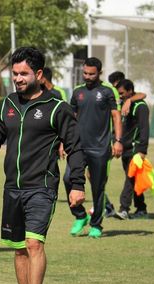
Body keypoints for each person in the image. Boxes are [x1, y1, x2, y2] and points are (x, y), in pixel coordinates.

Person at [0, 47, 86, 284]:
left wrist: (77, 184)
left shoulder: (58, 108)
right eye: (15, 73)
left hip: (41, 187)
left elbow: (75, 148)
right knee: (19, 247)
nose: (18, 79)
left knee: (34, 243)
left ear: (39, 74)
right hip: (12, 188)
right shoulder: (8, 103)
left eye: (24, 74)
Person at [66, 57, 123, 239]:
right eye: (85, 73)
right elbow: (70, 118)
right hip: (78, 146)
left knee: (98, 188)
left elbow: (116, 116)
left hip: (100, 148)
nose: (87, 77)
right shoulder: (77, 92)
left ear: (99, 73)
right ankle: (80, 215)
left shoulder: (107, 91)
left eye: (91, 74)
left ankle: (96, 224)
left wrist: (118, 140)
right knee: (68, 179)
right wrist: (63, 141)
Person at [114, 79, 150, 219]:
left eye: (122, 93)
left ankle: (124, 209)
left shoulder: (140, 107)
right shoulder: (124, 104)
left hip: (136, 150)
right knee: (133, 179)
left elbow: (144, 129)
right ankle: (141, 208)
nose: (120, 96)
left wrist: (142, 151)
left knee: (130, 178)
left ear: (130, 91)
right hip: (126, 148)